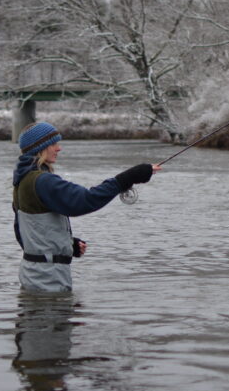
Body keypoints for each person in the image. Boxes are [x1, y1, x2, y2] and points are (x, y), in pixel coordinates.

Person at [12, 121, 159, 292]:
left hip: (32, 274)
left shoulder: (22, 181)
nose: (58, 148)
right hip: (48, 278)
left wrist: (66, 244)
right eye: (53, 143)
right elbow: (85, 200)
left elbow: (23, 232)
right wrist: (127, 178)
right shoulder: (44, 181)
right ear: (40, 148)